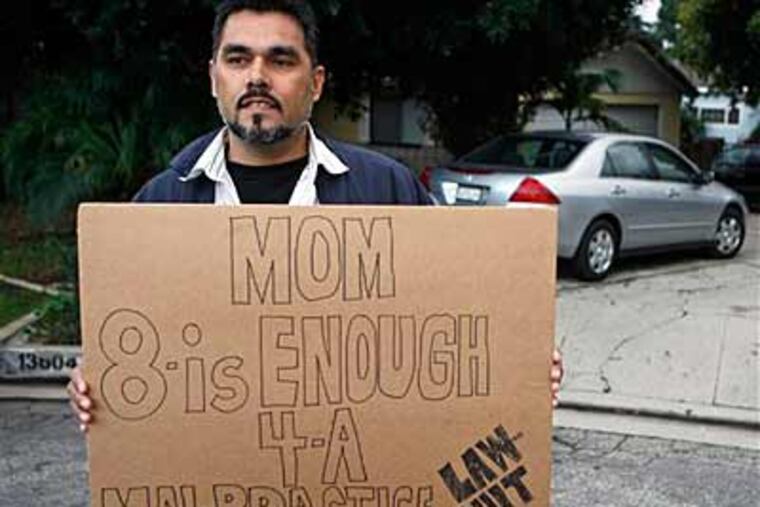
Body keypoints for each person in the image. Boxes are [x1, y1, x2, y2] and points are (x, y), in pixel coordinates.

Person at [68, 0, 563, 431]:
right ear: (214, 76)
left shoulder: (387, 188)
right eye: (238, 58)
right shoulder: (157, 207)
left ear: (317, 82)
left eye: (281, 59)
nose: (257, 76)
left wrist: (514, 365)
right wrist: (97, 388)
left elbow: (454, 325)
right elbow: (132, 357)